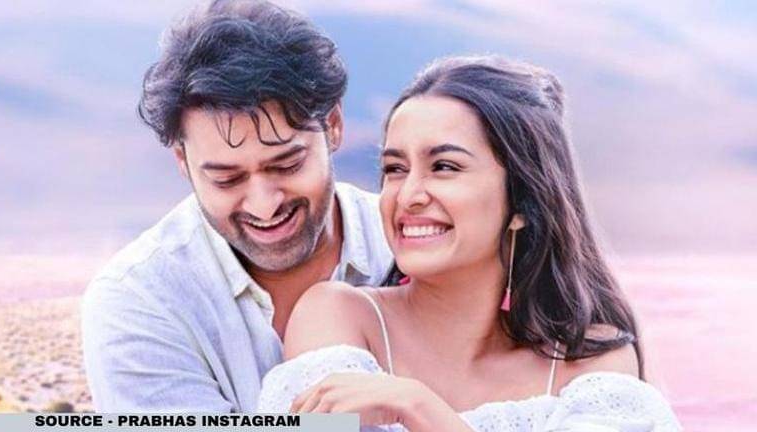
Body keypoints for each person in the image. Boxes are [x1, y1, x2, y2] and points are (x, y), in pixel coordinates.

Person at [257, 55, 681, 431]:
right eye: (395, 169)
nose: (408, 195)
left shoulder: (591, 364)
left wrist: (416, 406)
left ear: (523, 201)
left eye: (444, 166)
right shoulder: (341, 316)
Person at [81, 0, 392, 412]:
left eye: (287, 164)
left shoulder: (412, 243)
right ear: (182, 162)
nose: (264, 206)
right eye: (226, 179)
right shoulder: (139, 301)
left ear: (333, 127)